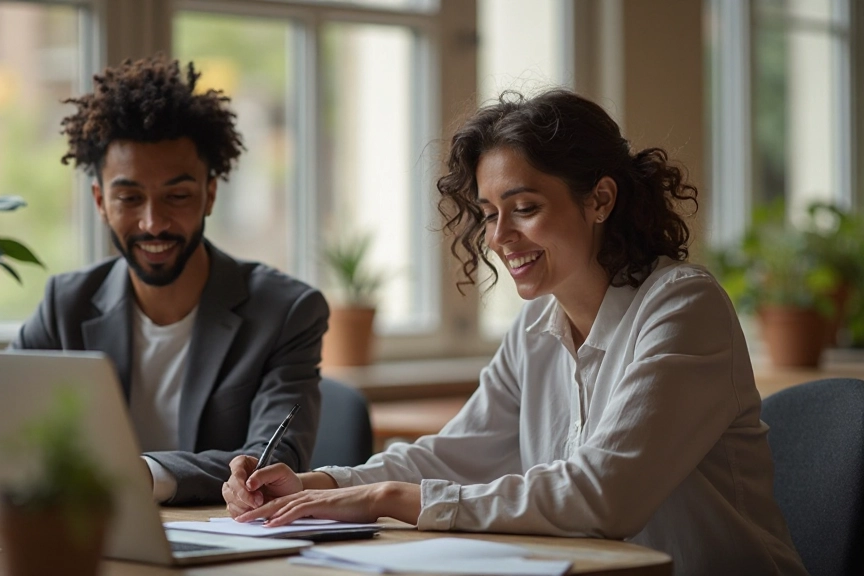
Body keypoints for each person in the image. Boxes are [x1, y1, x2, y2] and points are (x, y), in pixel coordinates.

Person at [222, 90, 807, 575]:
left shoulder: (683, 306)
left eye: (523, 207)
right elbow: (455, 455)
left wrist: (383, 498)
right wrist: (313, 484)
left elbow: (604, 496)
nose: (499, 237)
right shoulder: (536, 325)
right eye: (488, 213)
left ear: (600, 199)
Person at [0, 55, 329, 506]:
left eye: (177, 196)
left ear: (210, 194)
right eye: (130, 197)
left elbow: (272, 464)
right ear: (100, 201)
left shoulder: (286, 312)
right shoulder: (68, 303)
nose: (153, 223)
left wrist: (141, 473)